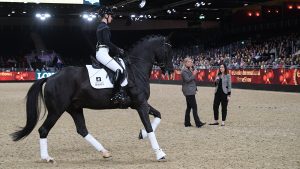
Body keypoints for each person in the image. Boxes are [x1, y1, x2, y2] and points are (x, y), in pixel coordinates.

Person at [96, 6, 128, 104]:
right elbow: (107, 42)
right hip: (102, 53)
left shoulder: (100, 26)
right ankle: (116, 94)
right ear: (106, 15)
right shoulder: (104, 27)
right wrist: (118, 49)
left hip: (103, 52)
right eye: (111, 16)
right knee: (119, 70)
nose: (112, 18)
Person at [181, 57, 206, 128]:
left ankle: (187, 122)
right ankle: (198, 123)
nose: (191, 63)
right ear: (185, 63)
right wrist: (194, 73)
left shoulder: (188, 69)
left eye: (191, 62)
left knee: (189, 107)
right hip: (188, 91)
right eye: (189, 62)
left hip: (190, 90)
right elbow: (187, 80)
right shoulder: (184, 71)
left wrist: (195, 88)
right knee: (194, 107)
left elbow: (192, 81)